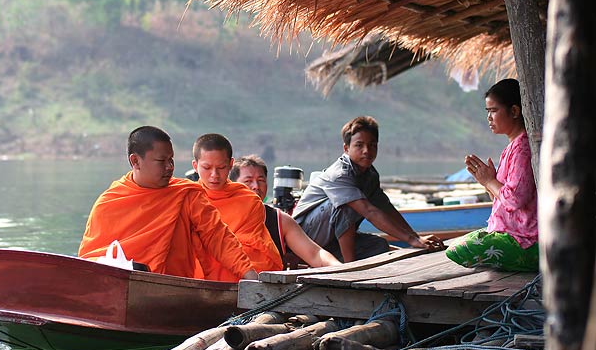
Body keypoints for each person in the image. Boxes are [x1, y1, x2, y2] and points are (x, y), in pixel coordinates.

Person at [78, 126, 258, 281]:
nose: (169, 167)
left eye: (171, 160)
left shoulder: (185, 194)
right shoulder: (110, 201)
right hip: (119, 286)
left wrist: (250, 275)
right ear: (135, 161)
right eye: (161, 161)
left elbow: (218, 237)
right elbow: (90, 257)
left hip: (173, 288)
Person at [292, 116, 444, 263]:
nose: (367, 150)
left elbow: (385, 208)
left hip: (329, 240)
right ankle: (350, 267)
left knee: (380, 245)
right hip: (304, 239)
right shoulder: (339, 175)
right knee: (347, 204)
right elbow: (369, 211)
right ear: (346, 148)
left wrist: (416, 237)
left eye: (372, 145)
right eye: (359, 145)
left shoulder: (370, 174)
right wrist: (410, 240)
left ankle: (343, 259)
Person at [446, 79, 538, 271]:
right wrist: (486, 183)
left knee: (457, 251)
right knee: (465, 241)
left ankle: (528, 262)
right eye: (487, 111)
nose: (489, 117)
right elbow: (500, 201)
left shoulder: (523, 149)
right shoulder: (511, 148)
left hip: (526, 239)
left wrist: (490, 180)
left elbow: (514, 200)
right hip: (511, 232)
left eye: (494, 111)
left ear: (514, 111)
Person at [192, 134, 283, 281]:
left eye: (221, 167)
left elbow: (252, 247)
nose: (214, 175)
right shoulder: (187, 196)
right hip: (200, 269)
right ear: (195, 166)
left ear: (230, 164)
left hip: (239, 271)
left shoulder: (249, 200)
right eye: (207, 168)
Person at [230, 155, 342, 267]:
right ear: (232, 185)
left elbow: (315, 254)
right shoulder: (219, 215)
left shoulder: (279, 220)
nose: (256, 186)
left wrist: (340, 269)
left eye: (261, 180)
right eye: (248, 181)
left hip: (266, 282)